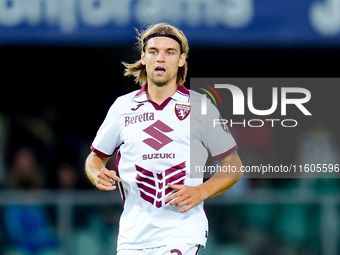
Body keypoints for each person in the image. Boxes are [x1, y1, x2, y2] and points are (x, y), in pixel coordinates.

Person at [85, 23, 243, 255]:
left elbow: (234, 166)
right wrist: (95, 173)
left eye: (169, 52)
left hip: (182, 231)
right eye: (153, 51)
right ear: (143, 57)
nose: (161, 58)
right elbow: (95, 158)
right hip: (133, 235)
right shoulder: (123, 107)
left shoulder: (200, 106)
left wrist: (201, 191)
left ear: (181, 60)